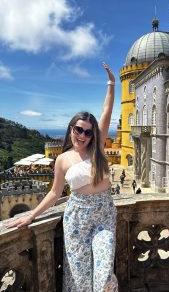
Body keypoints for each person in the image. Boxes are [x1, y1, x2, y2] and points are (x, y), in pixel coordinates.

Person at [7, 63, 118, 292]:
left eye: (88, 132)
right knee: (78, 277)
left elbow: (106, 112)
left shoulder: (97, 149)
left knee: (104, 273)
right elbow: (55, 193)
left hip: (104, 213)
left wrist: (111, 84)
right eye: (79, 130)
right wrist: (31, 215)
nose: (83, 135)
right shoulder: (63, 159)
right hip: (77, 217)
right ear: (71, 130)